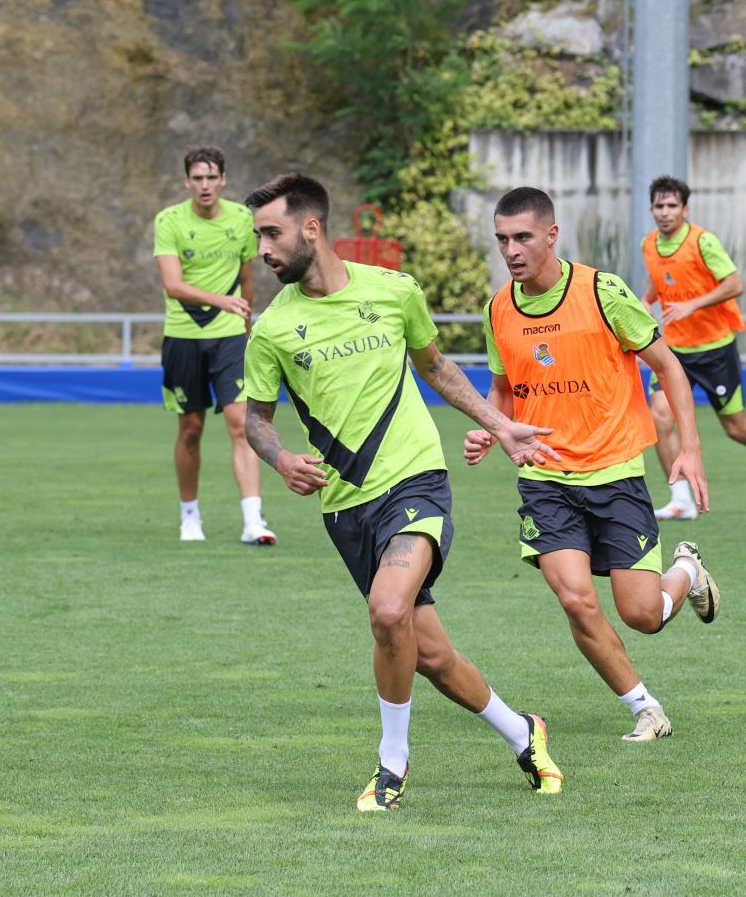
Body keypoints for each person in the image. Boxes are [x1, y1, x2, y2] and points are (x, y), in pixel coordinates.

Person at [242, 173, 564, 812]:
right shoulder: (274, 329)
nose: (263, 250)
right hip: (345, 505)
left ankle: (391, 767)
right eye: (258, 237)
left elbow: (437, 367)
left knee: (389, 611)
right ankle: (522, 733)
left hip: (416, 479)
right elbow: (255, 420)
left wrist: (499, 424)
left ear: (311, 228)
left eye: (272, 233)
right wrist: (279, 459)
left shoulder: (394, 292)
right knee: (431, 654)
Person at [463, 186, 722, 744]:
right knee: (578, 601)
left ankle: (688, 573)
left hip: (616, 475)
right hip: (545, 481)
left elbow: (669, 367)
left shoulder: (602, 292)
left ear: (551, 236)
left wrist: (691, 447)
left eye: (523, 237)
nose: (511, 249)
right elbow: (503, 390)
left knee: (642, 615)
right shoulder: (497, 308)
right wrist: (492, 428)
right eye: (502, 239)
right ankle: (646, 708)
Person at [638, 176, 746, 519]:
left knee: (736, 428)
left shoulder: (702, 242)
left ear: (685, 209)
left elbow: (734, 283)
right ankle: (680, 498)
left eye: (671, 206)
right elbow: (660, 275)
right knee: (660, 417)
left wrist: (693, 305)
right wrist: (645, 299)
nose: (664, 212)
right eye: (659, 206)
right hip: (674, 350)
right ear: (651, 209)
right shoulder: (649, 244)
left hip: (714, 349)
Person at [153, 146, 275, 544]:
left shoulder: (242, 220)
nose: (205, 185)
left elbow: (247, 278)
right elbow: (173, 285)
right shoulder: (169, 221)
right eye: (197, 178)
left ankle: (253, 521)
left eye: (211, 177)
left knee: (242, 425)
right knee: (190, 429)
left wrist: (247, 324)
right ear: (187, 182)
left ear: (223, 180)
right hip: (184, 337)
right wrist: (222, 300)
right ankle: (190, 517)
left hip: (228, 338)